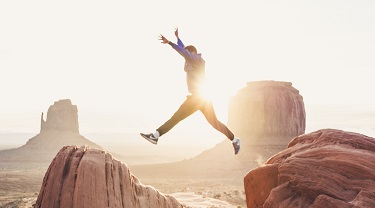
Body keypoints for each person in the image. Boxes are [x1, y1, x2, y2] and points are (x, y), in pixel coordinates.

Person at [140, 28, 240, 155]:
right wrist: (178, 39)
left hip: (197, 98)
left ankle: (156, 135)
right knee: (214, 123)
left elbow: (184, 52)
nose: (184, 56)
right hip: (202, 98)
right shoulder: (193, 59)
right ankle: (235, 140)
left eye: (187, 53)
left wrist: (170, 42)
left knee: (176, 117)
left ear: (192, 52)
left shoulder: (196, 60)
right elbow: (184, 50)